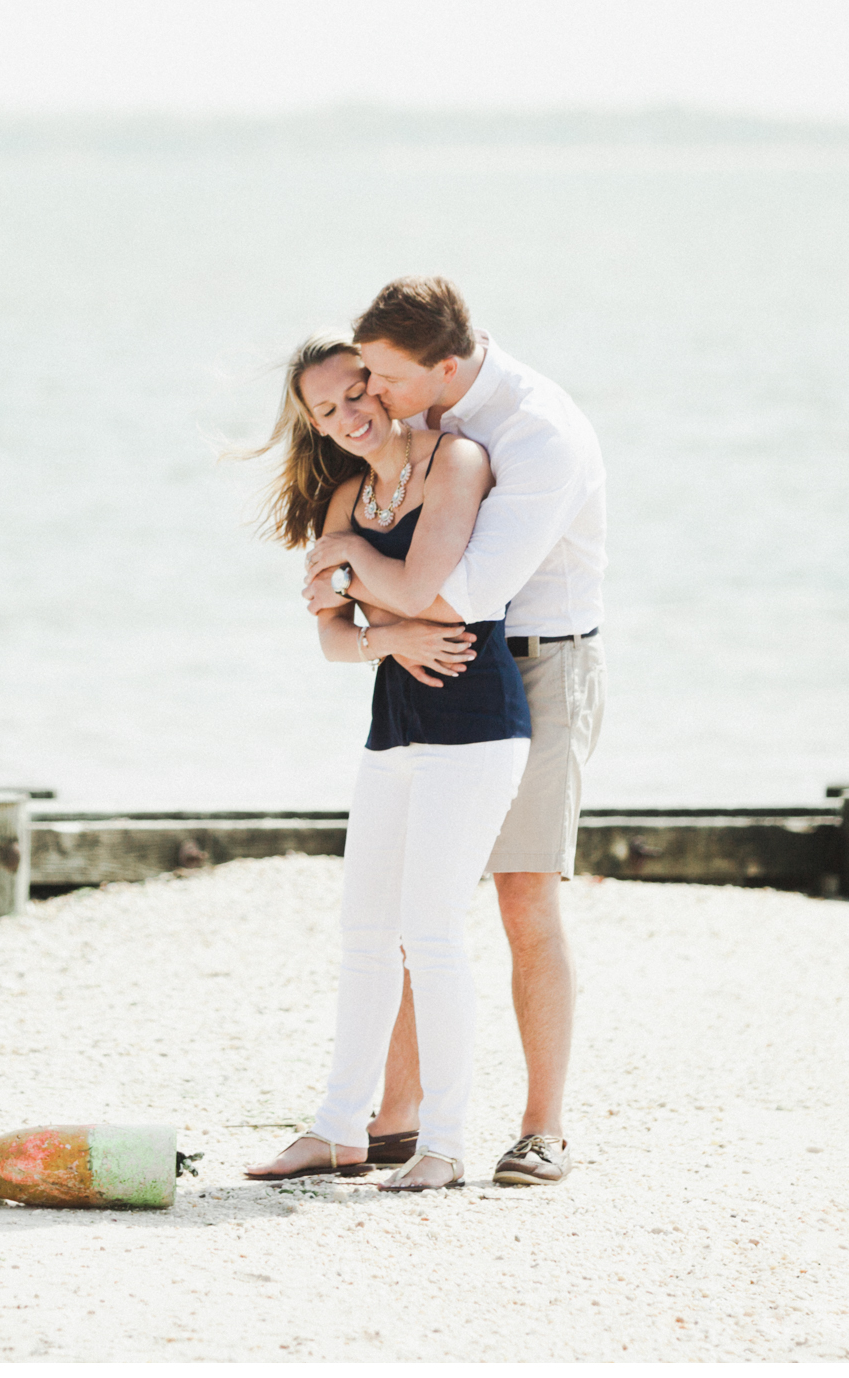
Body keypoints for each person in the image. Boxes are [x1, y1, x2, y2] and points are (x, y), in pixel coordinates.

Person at [317, 276, 607, 1189]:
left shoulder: (535, 436)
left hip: (536, 659)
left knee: (523, 897)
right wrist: (363, 607)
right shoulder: (429, 429)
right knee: (412, 901)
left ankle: (542, 1129)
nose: (373, 396)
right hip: (428, 661)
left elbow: (459, 595)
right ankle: (397, 1117)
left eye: (386, 379)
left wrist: (353, 571)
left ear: (445, 367)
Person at [239, 334, 532, 1192]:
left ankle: (443, 1144)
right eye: (325, 413)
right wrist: (385, 634)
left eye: (354, 394)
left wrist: (356, 570)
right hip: (394, 730)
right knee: (365, 936)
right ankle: (338, 1129)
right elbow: (334, 639)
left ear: (380, 383)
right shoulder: (343, 493)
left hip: (475, 724)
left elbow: (421, 578)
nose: (348, 417)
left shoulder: (458, 460)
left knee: (432, 933)